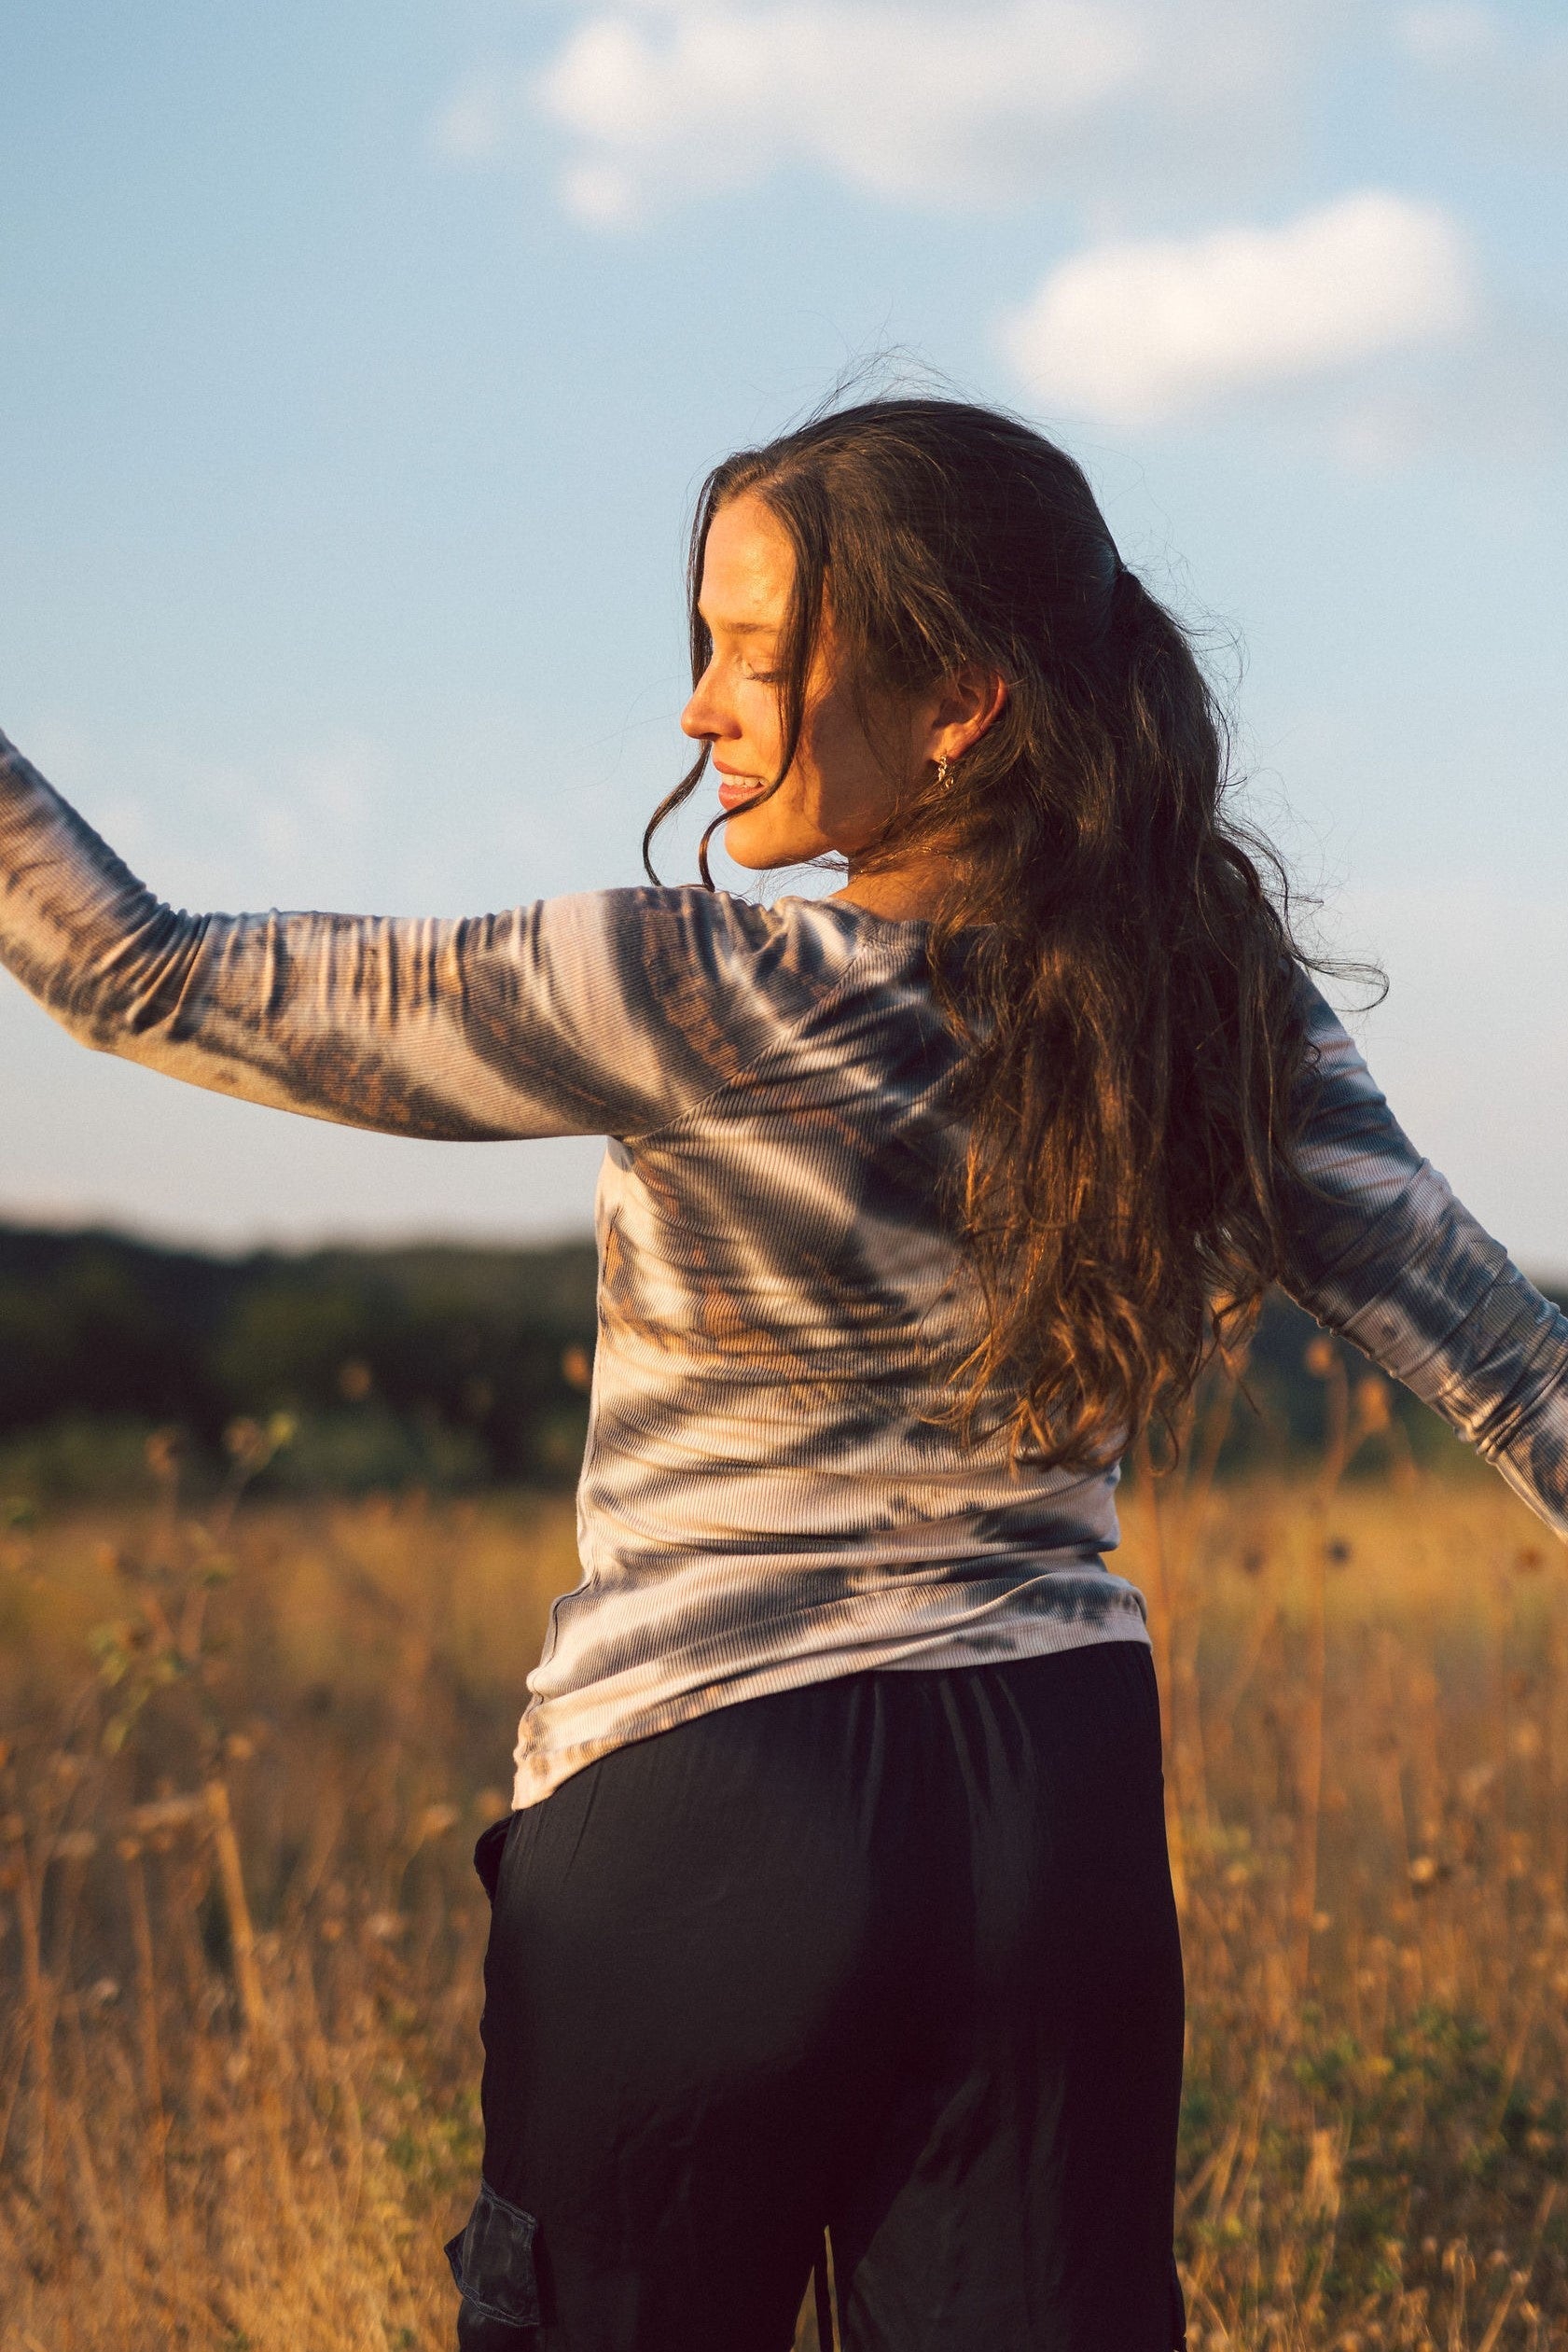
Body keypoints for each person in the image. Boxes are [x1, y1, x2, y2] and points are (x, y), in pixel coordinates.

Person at [2, 397, 1565, 2352]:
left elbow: (136, 975)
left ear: (959, 705)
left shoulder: (691, 984)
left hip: (707, 1806)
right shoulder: (1209, 1009)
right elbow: (1513, 1369)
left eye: (757, 656)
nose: (698, 711)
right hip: (1049, 1816)